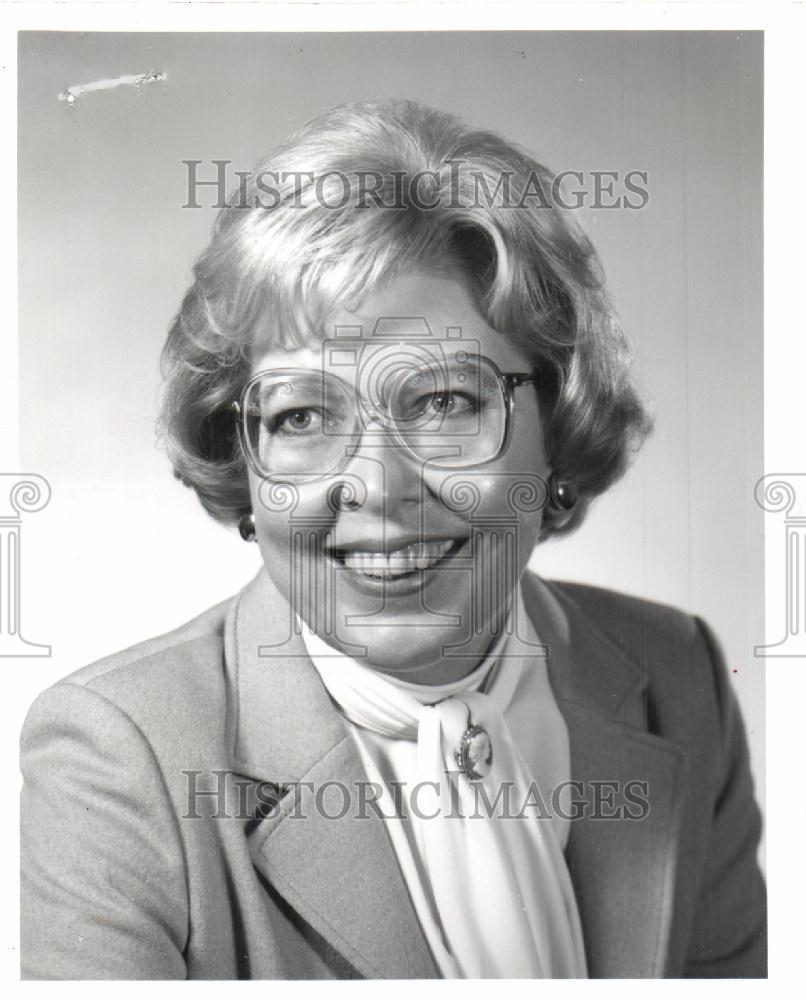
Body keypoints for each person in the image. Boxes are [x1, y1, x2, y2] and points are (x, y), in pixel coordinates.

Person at [20, 99, 766, 979]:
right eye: (302, 415)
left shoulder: (675, 673)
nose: (376, 484)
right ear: (243, 459)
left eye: (445, 401)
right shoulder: (120, 763)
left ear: (559, 419)